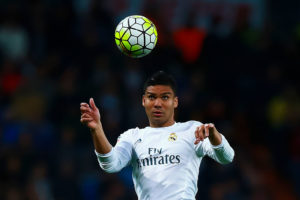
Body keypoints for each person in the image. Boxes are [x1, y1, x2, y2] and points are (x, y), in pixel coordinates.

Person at [80, 71, 234, 200]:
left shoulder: (192, 130)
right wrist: (97, 129)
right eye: (152, 97)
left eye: (165, 97)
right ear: (143, 101)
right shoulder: (132, 137)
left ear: (175, 102)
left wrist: (214, 135)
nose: (158, 103)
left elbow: (227, 157)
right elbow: (111, 165)